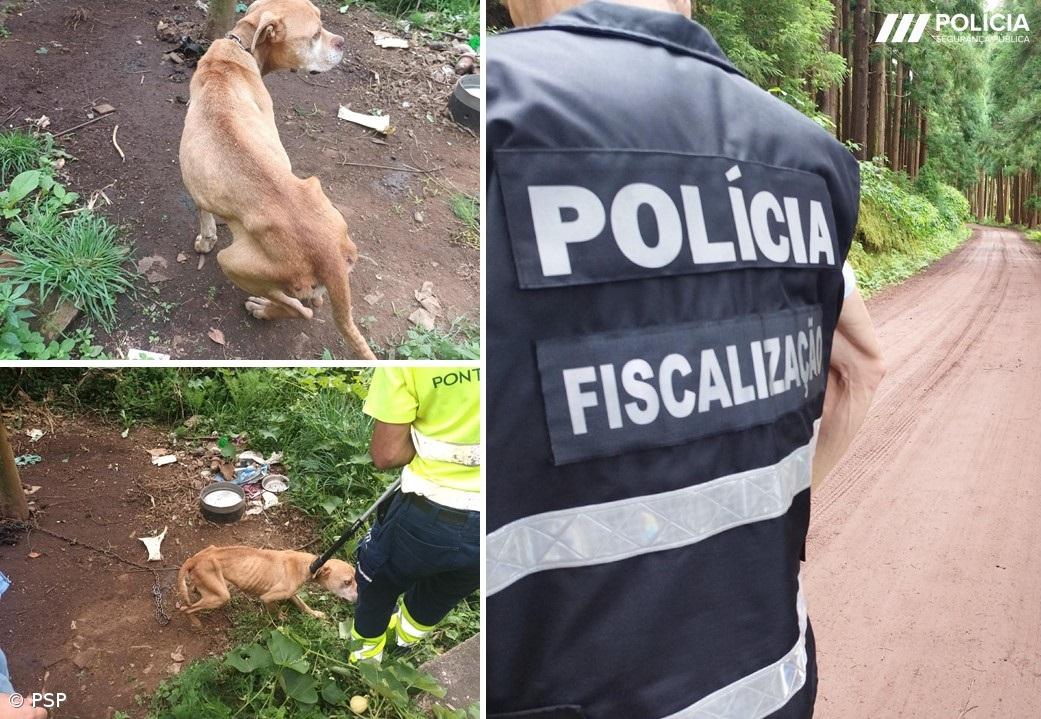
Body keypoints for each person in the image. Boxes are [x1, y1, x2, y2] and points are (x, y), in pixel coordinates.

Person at [486, 1, 885, 718]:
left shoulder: (496, 102)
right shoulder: (810, 157)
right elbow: (858, 364)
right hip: (770, 681)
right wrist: (768, 517)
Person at [349, 367, 481, 663]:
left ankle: (366, 657)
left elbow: (387, 454)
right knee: (446, 590)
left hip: (430, 513)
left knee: (379, 583)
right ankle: (406, 639)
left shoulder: (407, 367)